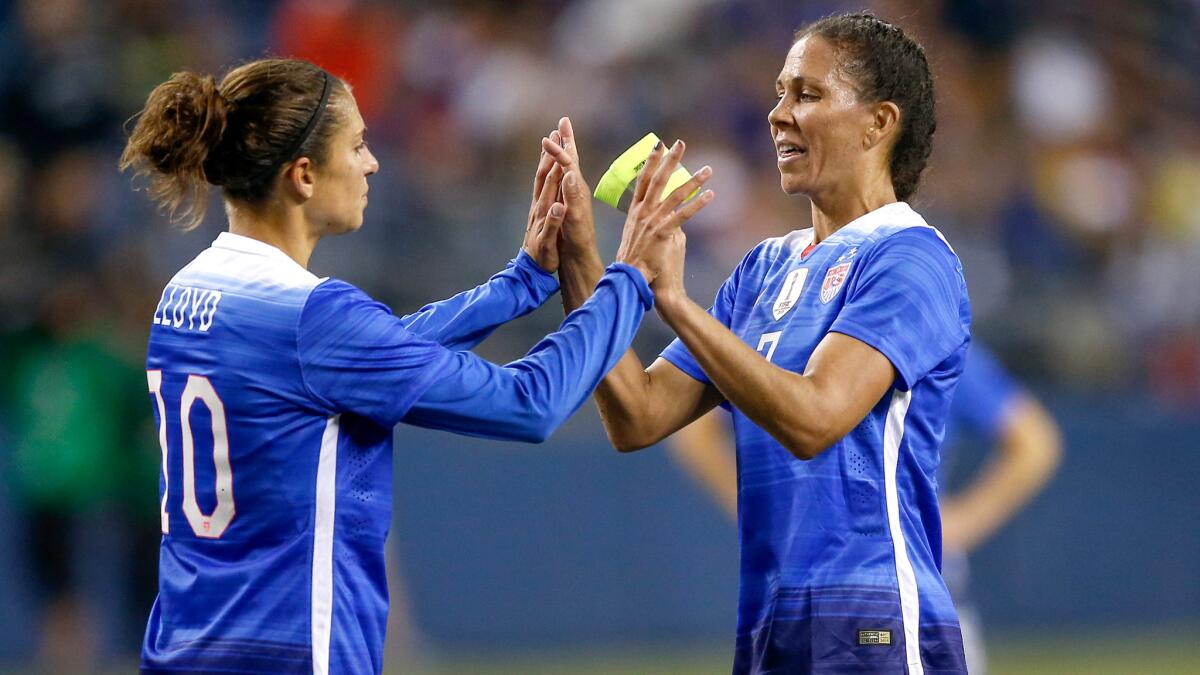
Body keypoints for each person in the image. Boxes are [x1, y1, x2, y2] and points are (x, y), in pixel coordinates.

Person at [119, 58, 711, 674]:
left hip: (184, 647)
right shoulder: (313, 317)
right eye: (357, 145)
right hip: (293, 651)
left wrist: (521, 283)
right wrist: (631, 277)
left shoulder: (186, 292)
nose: (372, 163)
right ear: (303, 176)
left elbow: (369, 356)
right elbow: (529, 403)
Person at [543, 12, 970, 673]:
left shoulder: (909, 258)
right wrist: (581, 257)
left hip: (872, 622)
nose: (778, 114)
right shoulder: (765, 268)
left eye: (808, 93)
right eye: (779, 91)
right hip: (769, 622)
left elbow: (815, 416)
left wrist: (676, 301)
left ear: (879, 122)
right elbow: (638, 413)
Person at [665, 344, 1064, 673]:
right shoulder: (794, 337)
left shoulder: (929, 340)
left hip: (909, 589)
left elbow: (1033, 440)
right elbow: (693, 430)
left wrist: (962, 522)